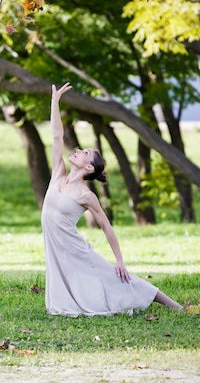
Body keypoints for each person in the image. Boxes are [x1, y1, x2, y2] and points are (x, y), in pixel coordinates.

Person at [41, 82, 183, 317]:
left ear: (88, 167)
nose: (77, 150)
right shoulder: (59, 173)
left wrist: (119, 260)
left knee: (114, 276)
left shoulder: (86, 196)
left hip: (75, 248)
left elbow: (106, 226)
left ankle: (173, 305)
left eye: (84, 152)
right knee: (80, 293)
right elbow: (57, 135)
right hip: (58, 249)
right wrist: (55, 102)